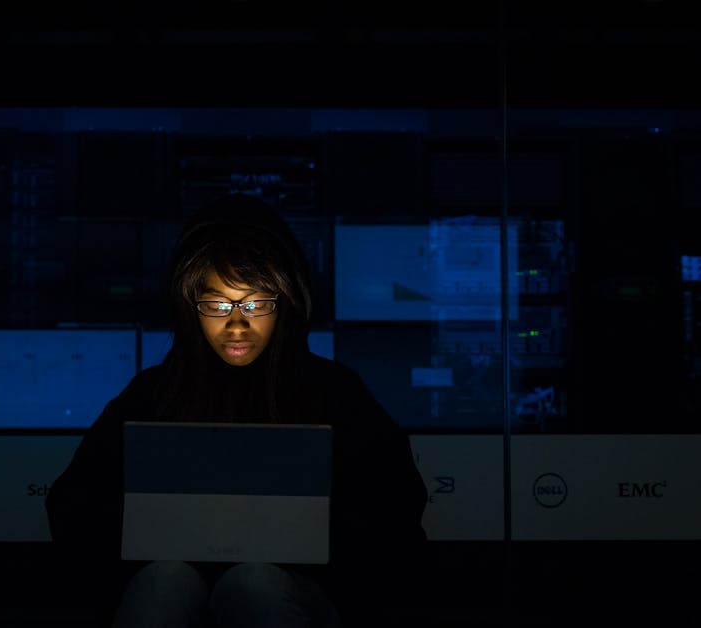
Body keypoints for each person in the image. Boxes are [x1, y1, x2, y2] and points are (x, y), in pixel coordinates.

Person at [45, 192, 429, 628]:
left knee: (254, 584)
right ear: (192, 310)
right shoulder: (154, 392)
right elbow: (74, 505)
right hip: (173, 585)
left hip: (302, 590)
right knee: (164, 581)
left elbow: (395, 513)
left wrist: (316, 542)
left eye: (255, 303)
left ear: (284, 302)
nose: (236, 323)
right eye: (216, 304)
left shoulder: (334, 392)